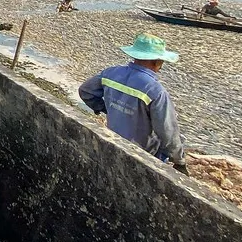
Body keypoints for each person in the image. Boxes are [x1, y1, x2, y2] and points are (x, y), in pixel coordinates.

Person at [78, 33, 187, 174]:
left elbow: (85, 91)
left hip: (114, 139)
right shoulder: (156, 91)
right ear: (157, 62)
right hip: (141, 152)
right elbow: (167, 132)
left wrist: (106, 109)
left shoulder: (111, 74)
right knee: (178, 140)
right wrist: (179, 161)